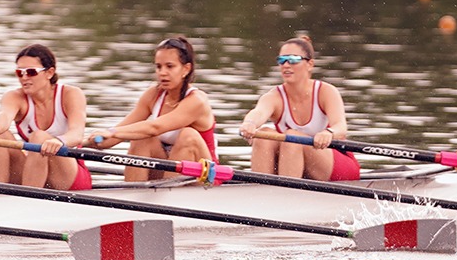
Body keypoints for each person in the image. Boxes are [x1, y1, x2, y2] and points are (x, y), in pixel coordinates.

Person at [85, 36, 218, 182]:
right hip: (168, 172)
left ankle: (169, 192)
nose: (162, 72)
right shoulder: (153, 95)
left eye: (170, 66)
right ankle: (132, 191)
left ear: (186, 69)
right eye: (158, 67)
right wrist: (83, 141)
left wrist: (111, 132)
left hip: (206, 179)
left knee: (187, 135)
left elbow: (154, 127)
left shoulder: (197, 100)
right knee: (141, 137)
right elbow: (114, 138)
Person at [237, 36, 359, 181]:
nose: (286, 65)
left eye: (293, 59)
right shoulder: (274, 96)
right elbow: (259, 112)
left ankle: (286, 191)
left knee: (293, 137)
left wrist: (329, 133)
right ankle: (261, 188)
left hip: (336, 166)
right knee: (263, 134)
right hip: (292, 162)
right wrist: (249, 124)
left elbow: (341, 126)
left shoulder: (326, 92)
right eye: (282, 60)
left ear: (310, 64)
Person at [0, 43, 90, 190]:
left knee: (39, 137)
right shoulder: (14, 97)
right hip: (34, 173)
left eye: (31, 72)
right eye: (19, 73)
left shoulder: (71, 94)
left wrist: (59, 141)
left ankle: (27, 198)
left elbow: (77, 134)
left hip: (68, 177)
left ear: (49, 73)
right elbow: (4, 116)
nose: (24, 78)